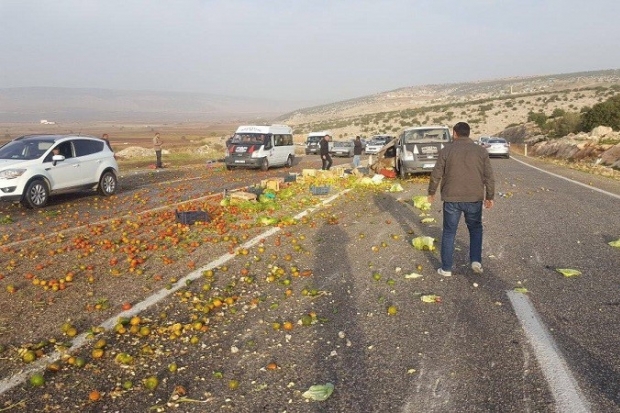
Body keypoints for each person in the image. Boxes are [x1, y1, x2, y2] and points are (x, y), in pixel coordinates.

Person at [427, 122, 495, 277]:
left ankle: (446, 269)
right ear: (469, 133)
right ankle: (476, 260)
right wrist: (489, 196)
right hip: (474, 198)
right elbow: (489, 176)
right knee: (475, 229)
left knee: (449, 232)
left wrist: (431, 192)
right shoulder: (480, 151)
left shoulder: (446, 150)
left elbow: (436, 173)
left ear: (454, 133)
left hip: (451, 198)